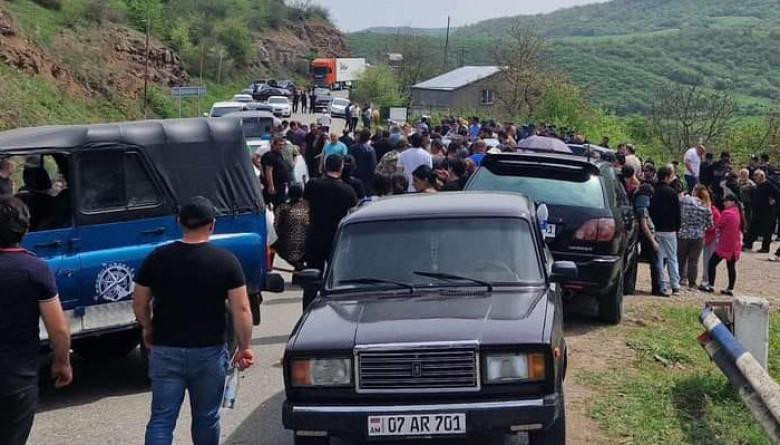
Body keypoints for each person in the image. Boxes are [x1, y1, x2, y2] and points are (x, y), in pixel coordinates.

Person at [133, 197, 255, 445]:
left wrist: (147, 327)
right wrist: (244, 347)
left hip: (166, 349)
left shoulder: (157, 258)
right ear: (212, 225)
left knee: (162, 419)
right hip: (209, 351)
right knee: (206, 417)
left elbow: (139, 302)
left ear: (180, 223)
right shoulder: (225, 261)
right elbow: (241, 308)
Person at [0, 197, 72, 445]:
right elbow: (58, 329)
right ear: (25, 228)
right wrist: (62, 362)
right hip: (17, 379)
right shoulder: (35, 269)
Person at [303, 155, 358, 272]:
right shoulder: (348, 190)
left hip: (315, 234)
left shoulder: (312, 184)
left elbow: (305, 207)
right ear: (341, 167)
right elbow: (353, 215)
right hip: (336, 237)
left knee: (312, 273)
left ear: (324, 166)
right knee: (336, 272)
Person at [702, 195, 744, 295]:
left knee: (712, 263)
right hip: (735, 244)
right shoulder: (738, 213)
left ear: (732, 202)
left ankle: (710, 285)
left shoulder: (727, 213)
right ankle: (730, 288)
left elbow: (718, 224)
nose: (724, 203)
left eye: (726, 201)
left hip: (725, 244)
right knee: (731, 267)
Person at [650, 165, 682, 295]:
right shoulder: (672, 192)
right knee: (672, 257)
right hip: (670, 229)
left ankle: (661, 284)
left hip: (656, 228)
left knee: (659, 258)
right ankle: (675, 284)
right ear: (667, 177)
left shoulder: (653, 191)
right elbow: (677, 212)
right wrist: (677, 227)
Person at [677, 185, 713, 289]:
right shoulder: (706, 206)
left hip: (683, 233)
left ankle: (678, 279)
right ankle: (692, 283)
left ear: (695, 191)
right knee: (693, 261)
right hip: (698, 236)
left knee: (680, 259)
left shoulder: (686, 200)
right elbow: (710, 225)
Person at [272, 183, 308, 270]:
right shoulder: (307, 207)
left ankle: (298, 265)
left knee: (272, 243)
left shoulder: (282, 208)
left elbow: (276, 228)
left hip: (287, 249)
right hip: (305, 248)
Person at [634, 184, 662, 295]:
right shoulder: (642, 209)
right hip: (648, 238)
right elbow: (644, 226)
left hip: (648, 237)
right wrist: (653, 241)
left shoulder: (641, 207)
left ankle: (657, 287)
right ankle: (657, 288)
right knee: (655, 263)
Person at [744, 169, 778, 253]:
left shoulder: (769, 185)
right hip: (757, 210)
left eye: (756, 175)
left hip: (767, 211)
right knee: (753, 228)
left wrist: (773, 201)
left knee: (767, 230)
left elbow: (777, 194)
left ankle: (765, 248)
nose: (754, 177)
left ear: (762, 176)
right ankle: (748, 244)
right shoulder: (758, 186)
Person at [261, 136, 291, 207]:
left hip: (282, 185)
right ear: (274, 145)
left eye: (282, 145)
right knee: (276, 204)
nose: (281, 147)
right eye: (279, 145)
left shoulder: (279, 155)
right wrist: (271, 186)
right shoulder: (269, 156)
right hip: (275, 185)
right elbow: (268, 171)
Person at [348, 129, 377, 193]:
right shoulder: (371, 150)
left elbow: (349, 160)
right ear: (368, 138)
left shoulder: (352, 147)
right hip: (366, 177)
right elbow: (373, 165)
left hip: (354, 174)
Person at [701, 199, 722, 287]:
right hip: (708, 236)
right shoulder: (712, 210)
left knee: (708, 260)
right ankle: (706, 279)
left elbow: (713, 226)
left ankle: (707, 280)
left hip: (711, 237)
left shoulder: (713, 211)